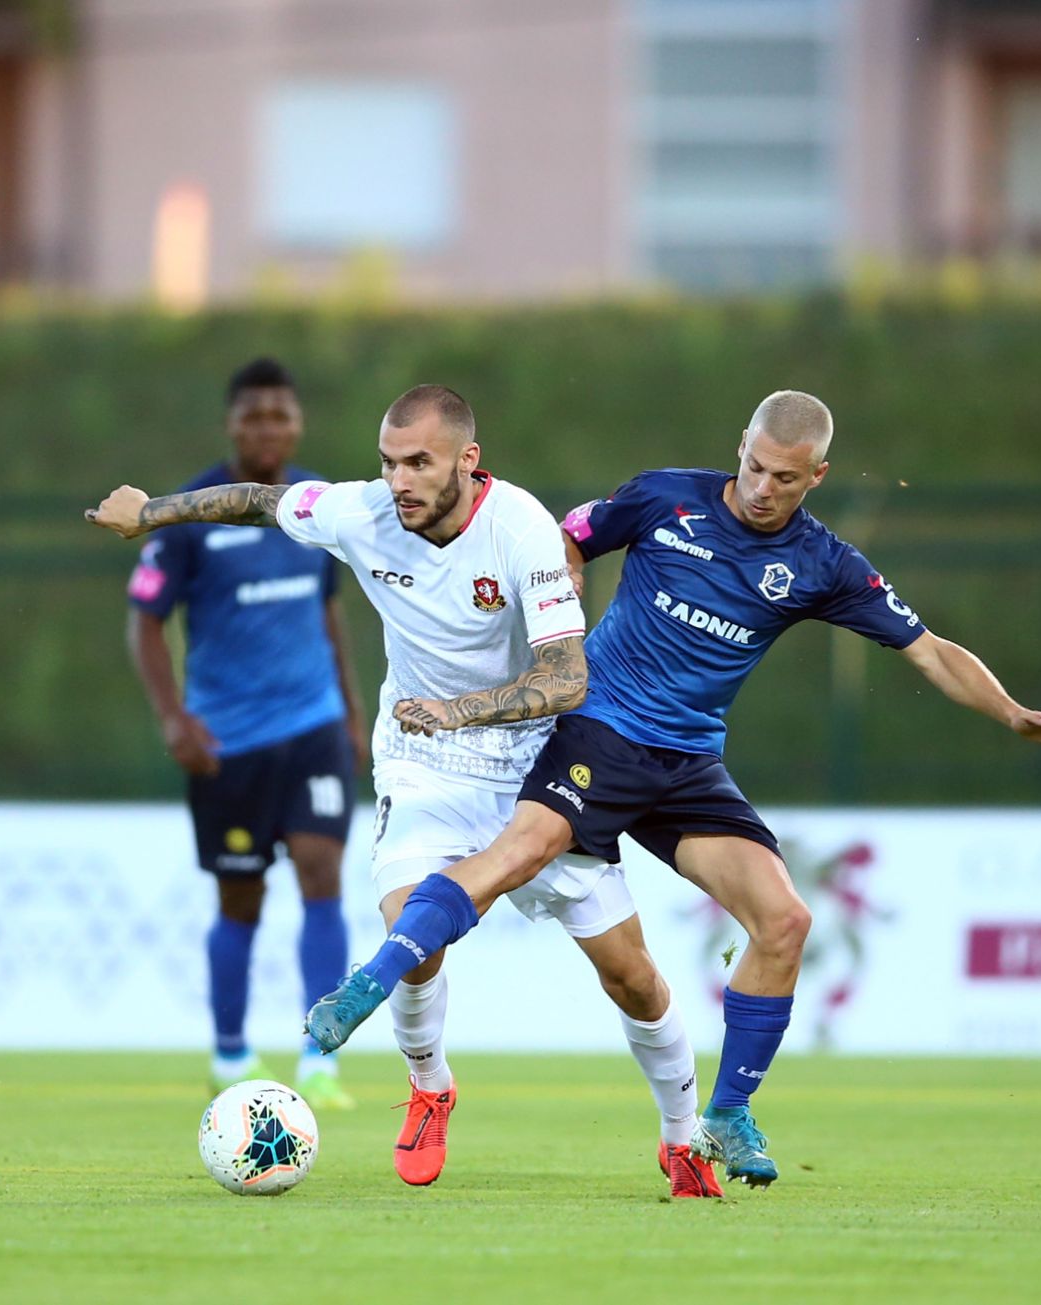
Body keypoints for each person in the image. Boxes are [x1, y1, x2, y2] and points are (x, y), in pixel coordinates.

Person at [305, 389, 1041, 1189]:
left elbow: (929, 651)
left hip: (685, 763)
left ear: (813, 476)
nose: (759, 487)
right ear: (740, 445)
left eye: (783, 478)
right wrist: (557, 602)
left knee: (779, 921)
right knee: (522, 849)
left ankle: (722, 1115)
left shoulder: (823, 565)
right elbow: (564, 540)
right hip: (597, 732)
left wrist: (1014, 713)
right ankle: (368, 986)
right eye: (752, 465)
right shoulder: (663, 496)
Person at [90, 385, 724, 1198]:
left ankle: (681, 1134)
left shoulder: (522, 529)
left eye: (419, 462)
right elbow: (257, 499)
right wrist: (153, 512)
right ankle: (429, 1087)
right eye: (389, 462)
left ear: (467, 459)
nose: (400, 480)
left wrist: (462, 709)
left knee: (628, 973)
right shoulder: (363, 511)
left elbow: (567, 678)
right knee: (410, 929)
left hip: (532, 765)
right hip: (424, 763)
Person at [126, 357, 367, 1107]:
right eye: (253, 415)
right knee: (241, 899)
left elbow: (328, 610)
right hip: (227, 742)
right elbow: (143, 621)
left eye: (281, 415)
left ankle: (319, 1057)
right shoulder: (192, 515)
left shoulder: (314, 506)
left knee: (322, 874)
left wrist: (354, 712)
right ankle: (230, 1050)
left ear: (297, 424)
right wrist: (173, 717)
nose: (268, 427)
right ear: (230, 423)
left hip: (313, 727)